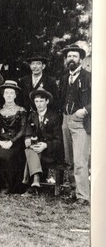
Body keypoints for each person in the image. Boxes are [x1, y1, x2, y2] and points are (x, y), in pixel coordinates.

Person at [59, 44, 91, 205]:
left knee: (80, 161)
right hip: (66, 120)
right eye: (69, 56)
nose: (71, 59)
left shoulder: (88, 77)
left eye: (75, 56)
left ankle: (83, 196)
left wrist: (85, 110)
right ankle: (74, 191)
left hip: (81, 123)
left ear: (80, 59)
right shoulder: (65, 78)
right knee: (69, 160)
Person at [0, 80, 27, 193]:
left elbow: (22, 130)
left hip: (15, 142)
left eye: (11, 93)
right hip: (2, 140)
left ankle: (7, 187)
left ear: (15, 95)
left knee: (10, 154)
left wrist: (11, 142)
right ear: (3, 94)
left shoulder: (21, 111)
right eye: (7, 93)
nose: (9, 95)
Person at [21, 88, 63, 196]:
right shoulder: (32, 116)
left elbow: (59, 140)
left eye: (41, 101)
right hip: (36, 149)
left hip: (50, 152)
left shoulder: (54, 117)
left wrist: (45, 145)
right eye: (36, 102)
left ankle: (32, 182)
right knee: (31, 149)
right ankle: (35, 183)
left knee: (31, 151)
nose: (39, 104)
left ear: (47, 101)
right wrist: (27, 139)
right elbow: (28, 132)